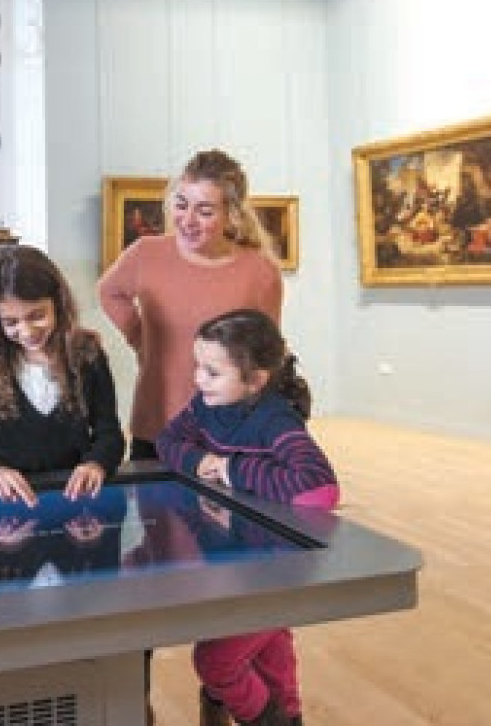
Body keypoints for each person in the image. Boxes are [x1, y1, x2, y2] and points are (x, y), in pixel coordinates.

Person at [156, 309, 338, 726]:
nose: (199, 380)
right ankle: (286, 715)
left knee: (216, 661)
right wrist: (201, 459)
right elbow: (168, 441)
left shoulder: (275, 419)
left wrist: (230, 469)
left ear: (255, 380)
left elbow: (319, 488)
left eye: (212, 372)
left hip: (277, 567)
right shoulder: (205, 407)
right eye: (197, 367)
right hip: (234, 560)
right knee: (271, 649)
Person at [98, 149, 284, 462]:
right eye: (181, 205)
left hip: (227, 430)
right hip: (157, 423)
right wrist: (141, 340)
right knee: (153, 511)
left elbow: (267, 354)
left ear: (231, 214)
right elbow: (109, 291)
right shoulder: (146, 253)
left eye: (205, 211)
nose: (187, 220)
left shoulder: (261, 272)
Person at [0, 245, 125, 506]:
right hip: (9, 507)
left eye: (37, 316)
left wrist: (96, 464)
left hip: (73, 501)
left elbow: (109, 433)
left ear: (58, 304)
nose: (26, 332)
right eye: (11, 322)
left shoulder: (86, 354)